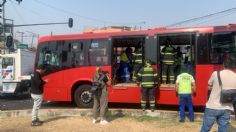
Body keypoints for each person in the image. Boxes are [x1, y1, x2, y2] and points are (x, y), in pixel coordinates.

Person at [200, 55, 236, 132]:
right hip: (227, 107)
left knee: (205, 128)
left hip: (212, 106)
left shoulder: (216, 73)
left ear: (224, 64)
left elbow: (209, 86)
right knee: (223, 129)